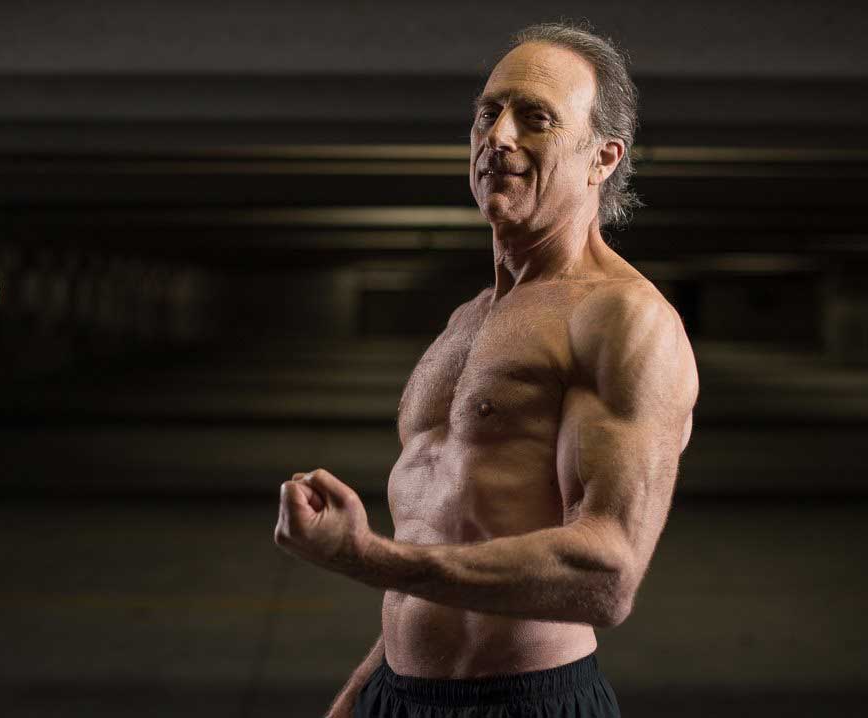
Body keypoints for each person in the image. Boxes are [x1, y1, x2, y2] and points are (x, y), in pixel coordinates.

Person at [274, 19, 699, 718]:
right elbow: (441, 542)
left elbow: (606, 575)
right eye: (487, 113)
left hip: (522, 701)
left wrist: (364, 557)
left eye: (535, 118)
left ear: (602, 158)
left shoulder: (623, 319)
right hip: (396, 694)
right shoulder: (466, 321)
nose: (497, 136)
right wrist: (360, 695)